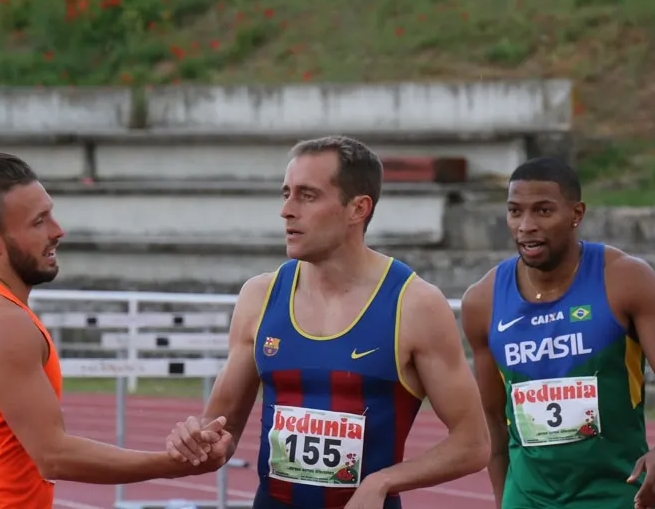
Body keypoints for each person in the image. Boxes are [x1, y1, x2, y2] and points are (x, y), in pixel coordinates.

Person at [164, 136, 491, 509]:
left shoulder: (414, 304)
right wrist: (198, 440)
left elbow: (473, 443)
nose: (286, 210)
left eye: (307, 195)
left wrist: (383, 481)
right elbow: (219, 432)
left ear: (358, 209)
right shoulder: (260, 297)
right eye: (285, 193)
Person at [0, 153, 232, 509]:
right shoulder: (0, 320)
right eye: (39, 221)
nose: (58, 230)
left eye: (50, 214)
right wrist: (174, 464)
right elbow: (54, 455)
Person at [459, 157, 655, 509]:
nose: (526, 225)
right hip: (528, 499)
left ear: (576, 214)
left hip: (618, 496)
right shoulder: (482, 302)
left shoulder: (624, 279)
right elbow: (493, 422)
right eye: (515, 211)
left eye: (543, 211)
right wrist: (504, 501)